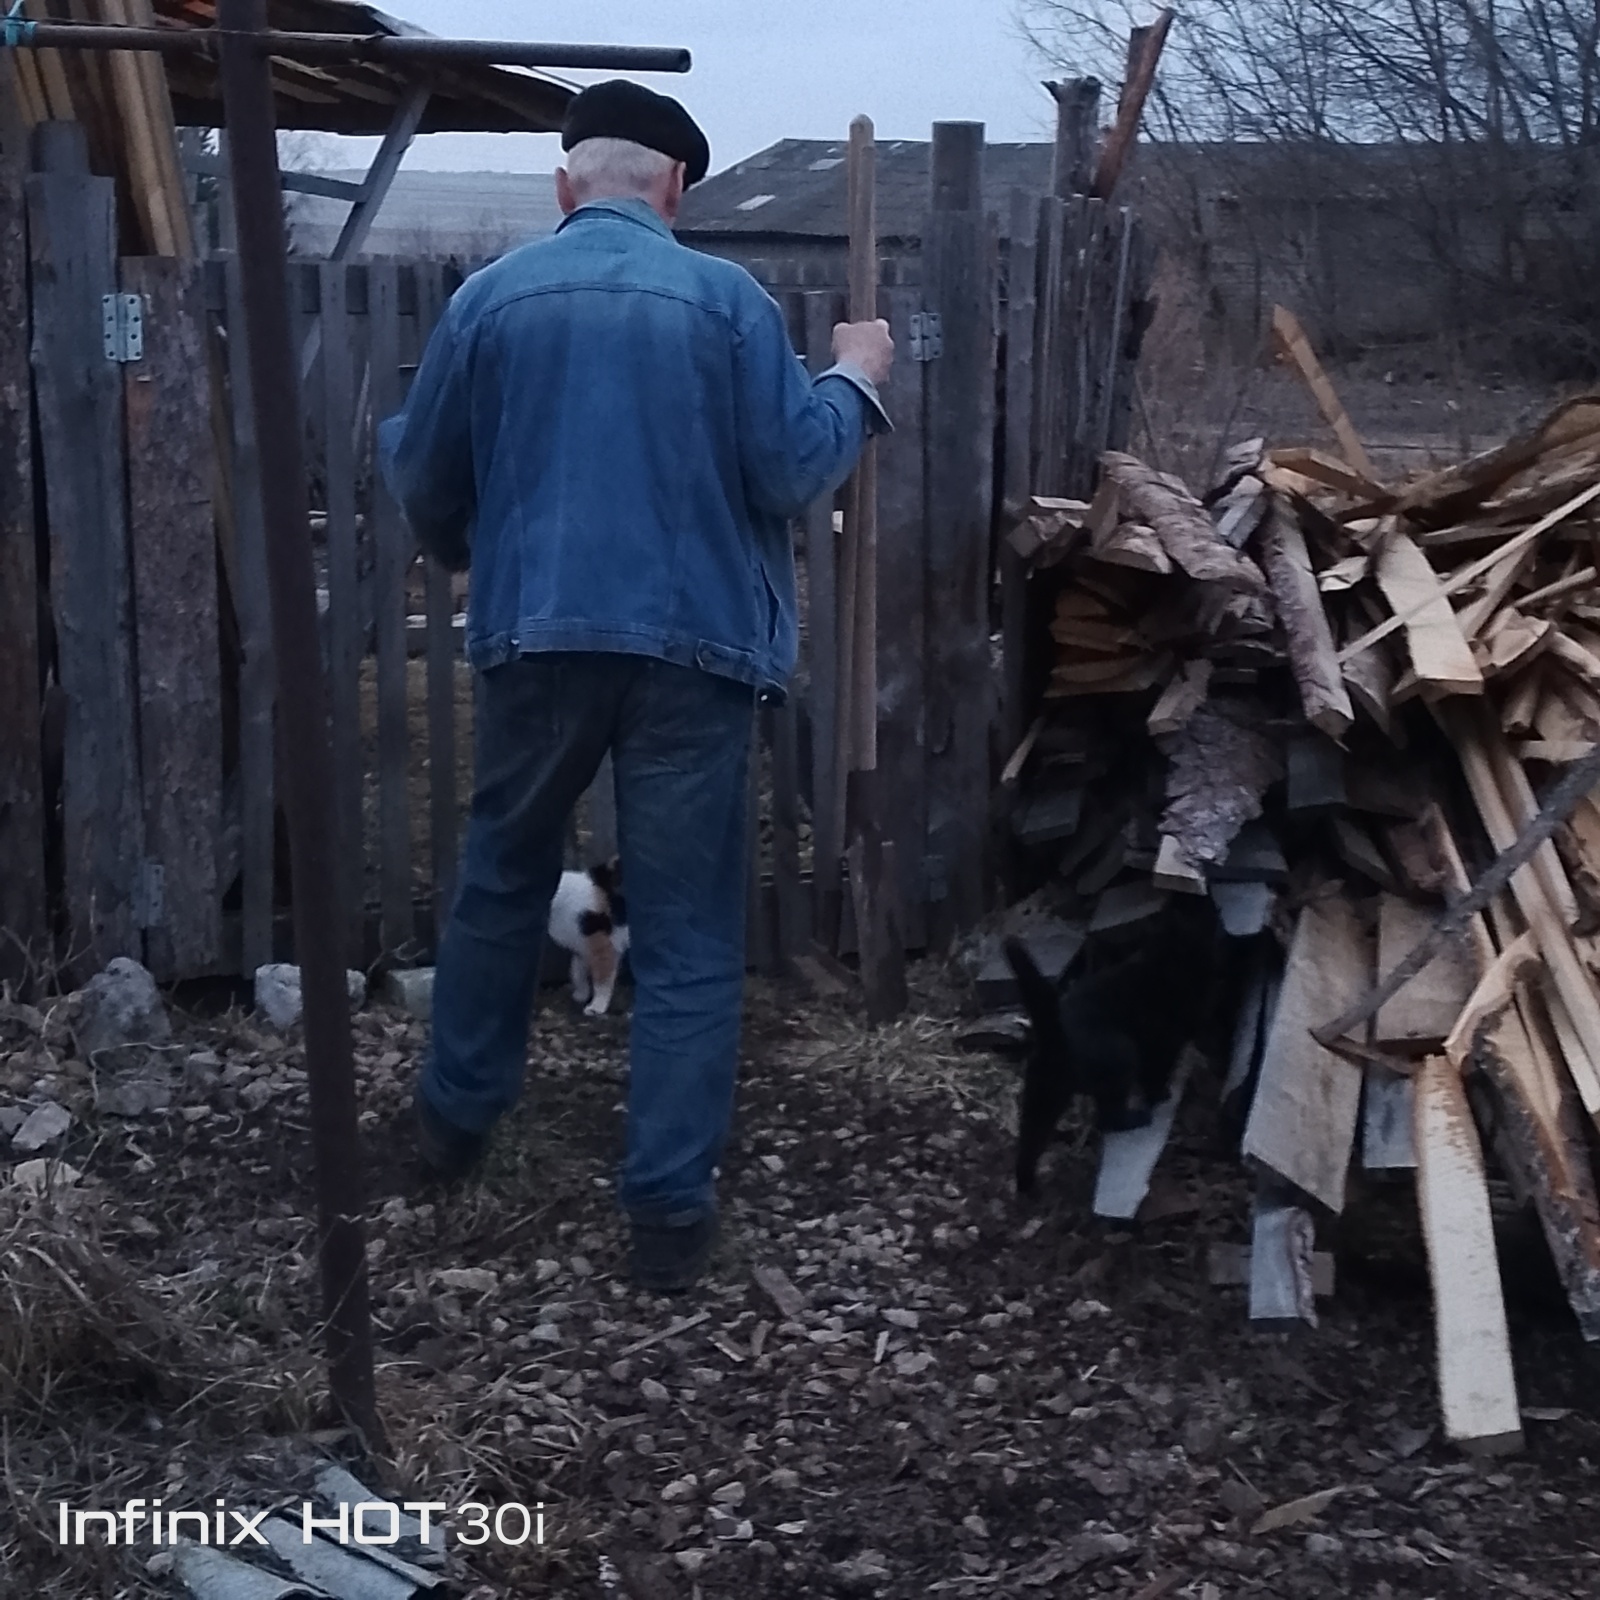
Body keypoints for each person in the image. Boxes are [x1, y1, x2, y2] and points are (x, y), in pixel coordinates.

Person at [378, 80, 895, 1292]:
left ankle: (452, 1125)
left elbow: (425, 479)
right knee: (693, 927)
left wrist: (481, 553)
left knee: (502, 880)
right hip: (693, 655)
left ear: (568, 188)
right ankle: (666, 1213)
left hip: (538, 638)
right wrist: (856, 378)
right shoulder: (728, 303)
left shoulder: (485, 302)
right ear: (676, 190)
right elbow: (788, 472)